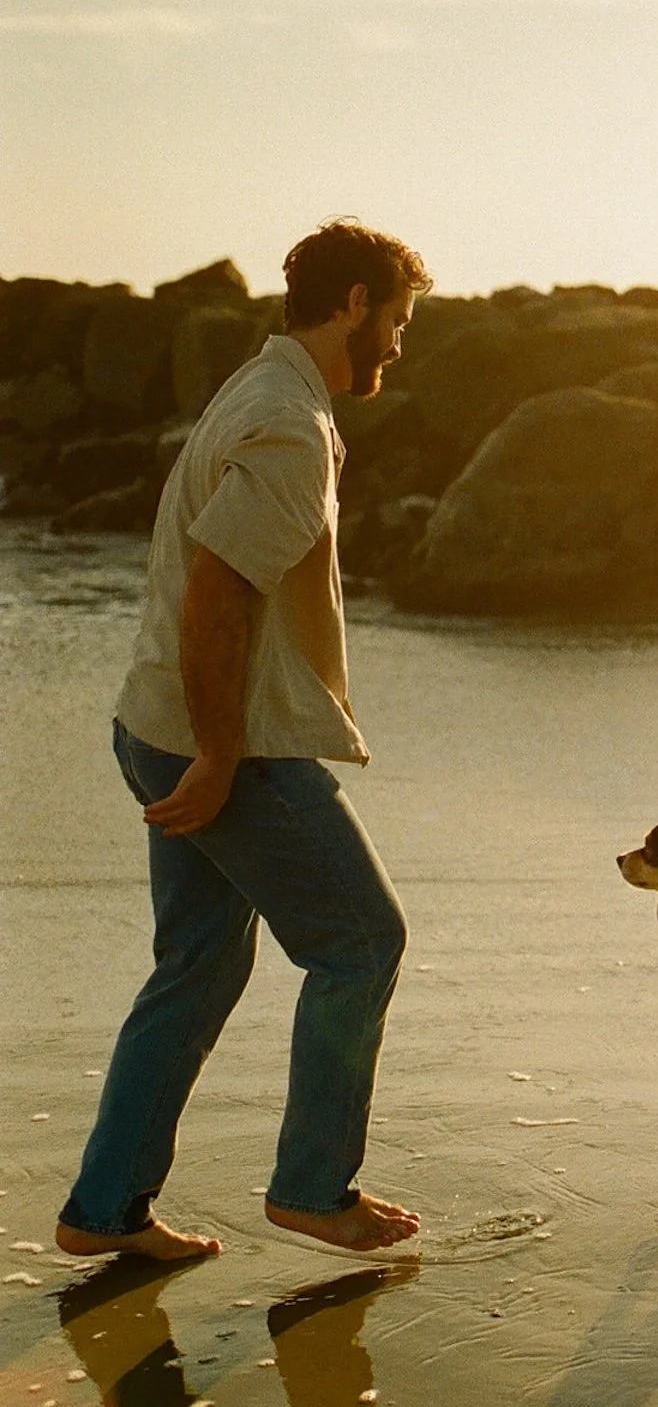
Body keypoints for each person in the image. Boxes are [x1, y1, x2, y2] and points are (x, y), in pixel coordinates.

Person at [56, 219, 433, 1262]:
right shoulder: (287, 423)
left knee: (197, 967)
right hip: (223, 744)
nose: (399, 346)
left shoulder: (259, 392)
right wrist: (222, 758)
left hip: (158, 726)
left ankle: (103, 1211)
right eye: (395, 321)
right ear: (352, 302)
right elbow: (217, 596)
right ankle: (315, 1188)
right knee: (362, 941)